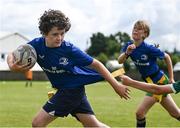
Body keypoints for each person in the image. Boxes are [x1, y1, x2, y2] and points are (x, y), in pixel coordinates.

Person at [7, 9, 130, 127]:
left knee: (37, 123)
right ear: (44, 33)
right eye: (55, 34)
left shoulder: (69, 49)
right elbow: (12, 54)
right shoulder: (36, 45)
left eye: (62, 34)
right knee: (93, 125)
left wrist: (116, 85)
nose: (59, 38)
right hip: (73, 91)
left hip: (70, 92)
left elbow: (97, 64)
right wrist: (12, 65)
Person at [118, 20, 180, 127]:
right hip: (151, 82)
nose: (135, 30)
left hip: (159, 81)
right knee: (175, 113)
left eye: (139, 28)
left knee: (140, 113)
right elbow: (120, 61)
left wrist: (171, 78)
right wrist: (127, 52)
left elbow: (167, 57)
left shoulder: (149, 48)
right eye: (134, 28)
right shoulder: (129, 45)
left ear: (145, 34)